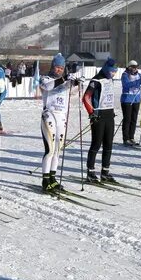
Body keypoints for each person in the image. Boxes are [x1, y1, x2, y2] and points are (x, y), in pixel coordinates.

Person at [38, 53, 80, 192]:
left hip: (61, 117)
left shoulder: (64, 80)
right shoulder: (45, 78)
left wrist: (77, 82)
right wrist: (64, 79)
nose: (59, 70)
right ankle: (45, 180)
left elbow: (74, 92)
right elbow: (48, 87)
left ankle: (53, 178)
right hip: (49, 115)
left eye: (61, 68)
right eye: (57, 67)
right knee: (49, 150)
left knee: (58, 150)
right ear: (52, 67)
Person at [82, 57, 119, 183]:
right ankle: (90, 172)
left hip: (109, 115)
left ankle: (105, 172)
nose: (113, 74)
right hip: (98, 115)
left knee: (108, 144)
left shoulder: (110, 80)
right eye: (112, 71)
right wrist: (92, 113)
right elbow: (86, 97)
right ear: (106, 69)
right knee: (96, 144)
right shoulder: (96, 80)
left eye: (115, 72)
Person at [120, 60, 141, 145]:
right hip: (127, 99)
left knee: (134, 119)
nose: (135, 69)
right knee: (127, 119)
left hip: (136, 99)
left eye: (136, 67)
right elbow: (127, 84)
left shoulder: (138, 75)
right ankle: (125, 138)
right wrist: (139, 82)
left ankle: (131, 137)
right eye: (133, 67)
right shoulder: (125, 75)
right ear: (129, 67)